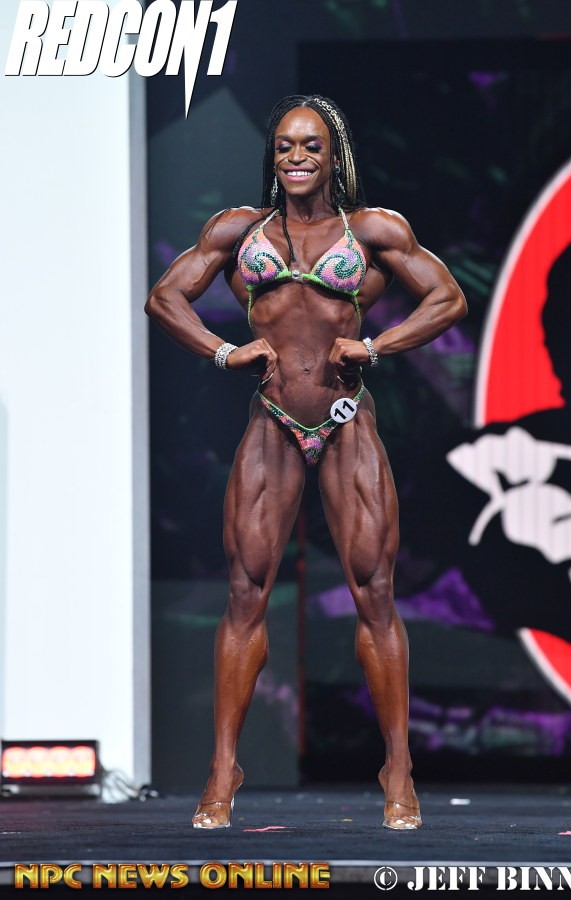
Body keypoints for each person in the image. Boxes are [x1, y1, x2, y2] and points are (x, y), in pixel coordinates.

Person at [145, 94, 467, 830]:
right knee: (245, 592)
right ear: (273, 155)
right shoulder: (238, 230)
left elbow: (447, 299)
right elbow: (165, 298)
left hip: (347, 421)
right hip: (272, 422)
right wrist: (223, 351)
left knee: (375, 591)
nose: (296, 157)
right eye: (285, 145)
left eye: (311, 146)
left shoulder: (373, 230)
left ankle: (398, 770)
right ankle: (223, 771)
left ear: (333, 155)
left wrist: (377, 345)